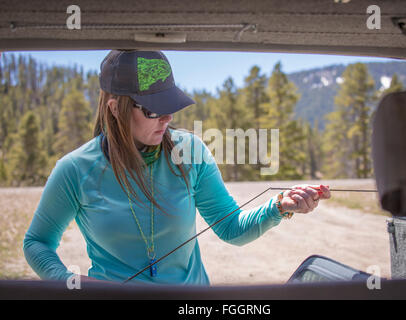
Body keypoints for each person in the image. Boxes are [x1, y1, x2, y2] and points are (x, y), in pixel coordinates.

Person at [23, 50, 331, 285]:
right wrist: (67, 282)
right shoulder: (75, 169)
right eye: (155, 108)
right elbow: (37, 242)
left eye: (170, 104)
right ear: (116, 109)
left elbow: (231, 228)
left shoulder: (191, 151)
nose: (168, 118)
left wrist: (279, 207)